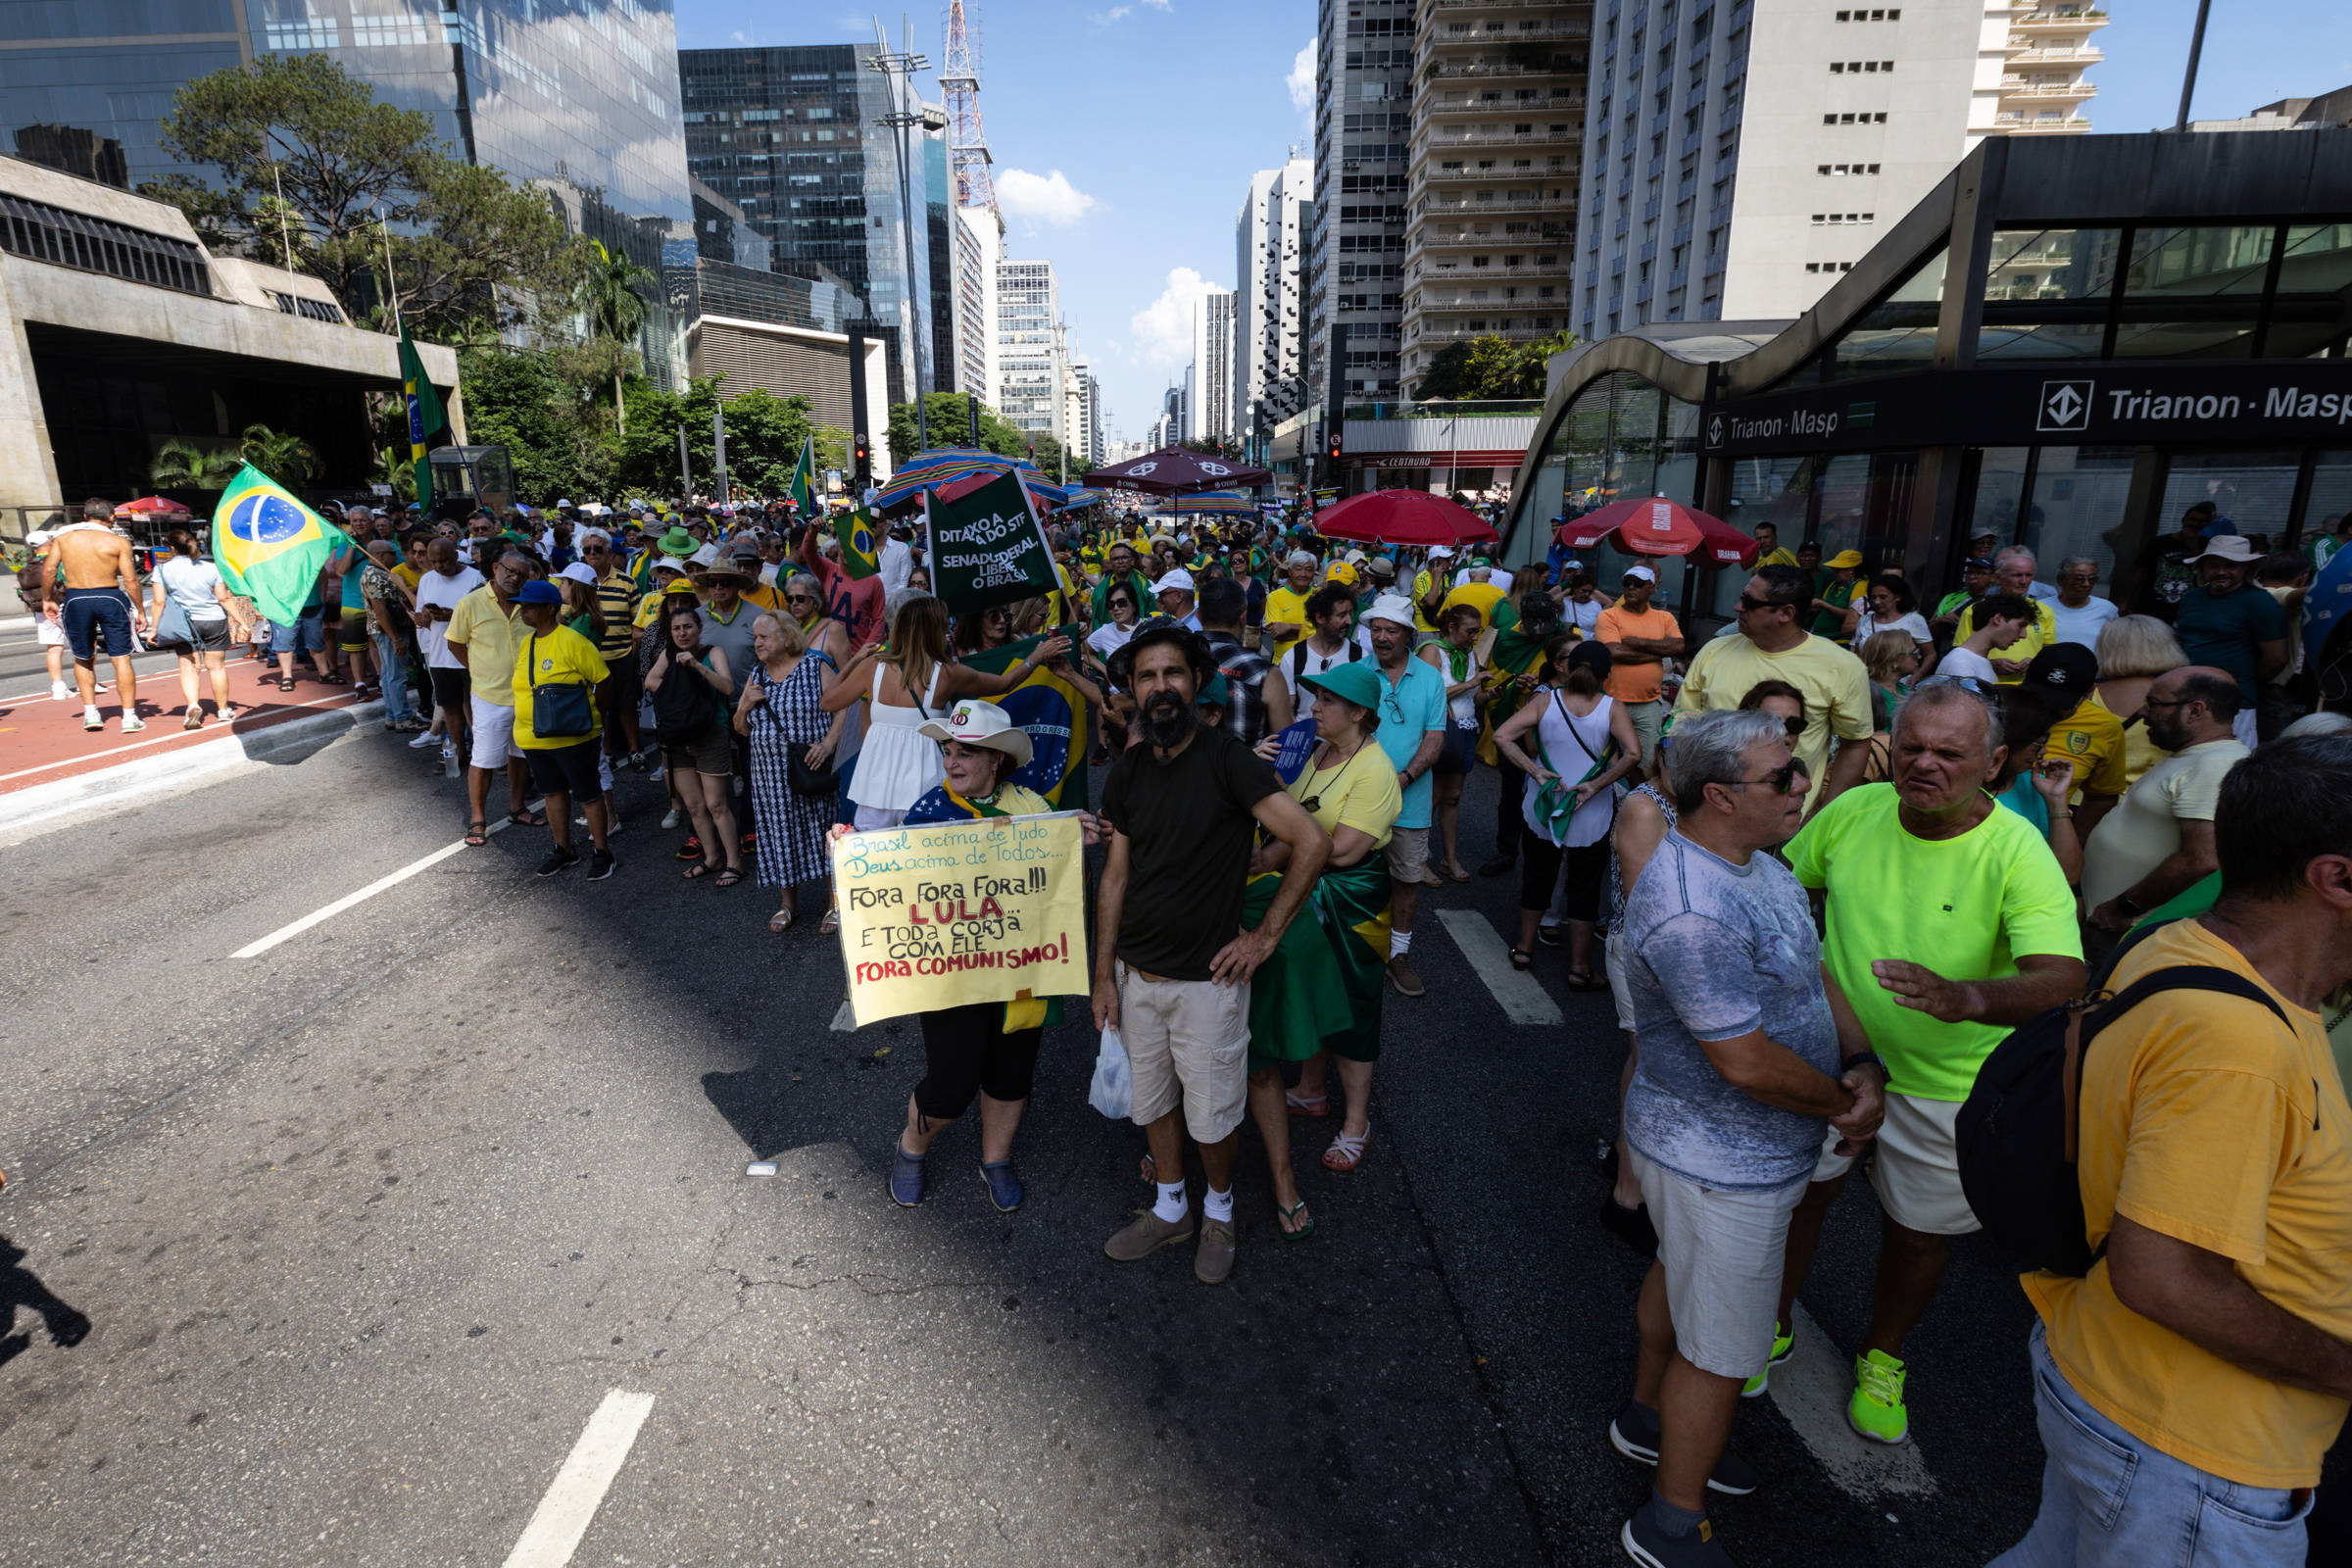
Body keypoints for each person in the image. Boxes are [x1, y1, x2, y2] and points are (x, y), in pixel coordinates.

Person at [1992, 733, 2352, 1568]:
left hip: (2111, 1387)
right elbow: (2163, 1277)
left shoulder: (2179, 945)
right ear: (2334, 878)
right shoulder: (2241, 1047)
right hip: (2190, 1450)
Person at [1769, 682, 2083, 1441]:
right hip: (1832, 1059)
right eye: (1911, 746)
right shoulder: (1854, 811)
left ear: (1996, 761)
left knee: (1916, 1235)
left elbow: (2065, 978)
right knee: (1802, 1198)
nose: (1925, 764)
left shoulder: (2017, 849)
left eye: (1950, 752)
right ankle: (1769, 1321)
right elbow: (1782, 885)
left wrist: (1968, 997)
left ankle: (1884, 1355)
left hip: (1948, 1084)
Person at [1609, 709, 1881, 1568]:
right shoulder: (1693, 909)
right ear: (1721, 797)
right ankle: (1670, 1520)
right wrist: (1842, 1100)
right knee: (1723, 1350)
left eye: (1801, 766)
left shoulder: (1757, 864)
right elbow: (1748, 1064)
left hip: (1711, 1151)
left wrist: (1861, 1053)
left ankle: (1648, 1420)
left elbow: (1812, 966)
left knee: (1675, 1277)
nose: (1807, 784)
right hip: (1722, 1163)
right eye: (1785, 776)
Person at [1095, 622, 1331, 1286]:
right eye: (1146, 677)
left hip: (1208, 984)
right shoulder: (1130, 771)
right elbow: (1115, 878)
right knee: (1156, 1103)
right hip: (1137, 977)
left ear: (1197, 681)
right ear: (1133, 692)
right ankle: (1171, 1208)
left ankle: (1219, 1211)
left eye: (1172, 673)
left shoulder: (1230, 759)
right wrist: (1102, 977)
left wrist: (1264, 938)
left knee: (1214, 1112)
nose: (1160, 687)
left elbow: (1309, 841)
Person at [882, 700, 1092, 1211]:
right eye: (948, 751)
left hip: (1023, 969)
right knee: (951, 1085)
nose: (952, 762)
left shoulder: (1037, 811)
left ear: (997, 759)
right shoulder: (926, 813)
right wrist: (849, 849)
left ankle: (995, 1159)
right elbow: (894, 891)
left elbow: (1064, 895)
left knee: (1010, 1072)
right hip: (953, 974)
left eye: (966, 753)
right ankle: (911, 1149)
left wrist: (1076, 847)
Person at [1240, 659, 1403, 1237]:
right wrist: (1259, 778)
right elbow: (1294, 819)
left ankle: (1355, 1122)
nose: (1314, 708)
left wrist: (1287, 844)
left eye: (1327, 702)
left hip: (1349, 897)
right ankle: (1311, 1092)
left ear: (1358, 713)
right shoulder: (1316, 751)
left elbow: (1342, 850)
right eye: (1315, 699)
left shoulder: (1376, 770)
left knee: (1355, 1003)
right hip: (1302, 881)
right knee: (1313, 991)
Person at [827, 595, 1067, 831]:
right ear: (935, 630)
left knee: (875, 859)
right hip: (924, 778)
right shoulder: (946, 674)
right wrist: (1035, 657)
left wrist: (855, 661)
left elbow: (828, 701)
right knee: (928, 857)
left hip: (876, 783)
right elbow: (1004, 684)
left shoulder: (872, 667)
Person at [1674, 564, 1873, 817]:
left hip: (1787, 824)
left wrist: (1825, 816)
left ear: (1786, 613)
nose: (1738, 607)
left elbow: (1855, 743)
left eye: (1749, 602)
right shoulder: (1713, 651)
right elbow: (1681, 723)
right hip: (1708, 813)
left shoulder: (1843, 667)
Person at [1493, 638, 1640, 978]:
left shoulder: (1546, 701)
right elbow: (1633, 754)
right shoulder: (1612, 707)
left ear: (1570, 668)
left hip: (1543, 803)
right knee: (1585, 884)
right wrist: (1596, 784)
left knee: (1537, 875)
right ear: (1606, 674)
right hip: (1590, 809)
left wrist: (1535, 770)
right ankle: (1579, 965)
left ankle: (1525, 948)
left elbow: (1502, 736)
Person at [2082, 666, 2250, 941]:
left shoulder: (2216, 764)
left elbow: (2202, 860)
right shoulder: (2193, 756)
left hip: (2135, 929)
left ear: (2195, 711)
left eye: (2155, 704)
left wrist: (2125, 907)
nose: (2143, 713)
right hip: (2121, 926)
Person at [735, 611, 844, 932]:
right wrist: (743, 707)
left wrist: (827, 744)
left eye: (764, 637)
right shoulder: (757, 674)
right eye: (755, 638)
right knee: (778, 837)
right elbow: (740, 729)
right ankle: (787, 904)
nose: (757, 643)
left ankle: (834, 903)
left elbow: (843, 707)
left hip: (810, 767)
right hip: (768, 777)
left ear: (786, 637)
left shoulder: (815, 666)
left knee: (821, 831)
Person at [1363, 595, 1448, 1000]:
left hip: (1409, 801)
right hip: (1358, 801)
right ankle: (1358, 949)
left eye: (1390, 630)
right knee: (1355, 875)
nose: (1381, 637)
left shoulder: (1430, 678)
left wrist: (1404, 777)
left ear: (1408, 635)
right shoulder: (1355, 674)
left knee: (1407, 880)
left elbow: (1435, 738)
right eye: (1376, 629)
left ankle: (1398, 955)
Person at [509, 579, 613, 880]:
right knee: (552, 793)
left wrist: (598, 717)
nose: (522, 611)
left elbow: (604, 681)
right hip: (534, 737)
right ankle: (564, 849)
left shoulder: (573, 641)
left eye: (528, 606)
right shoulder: (528, 642)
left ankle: (602, 852)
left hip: (575, 735)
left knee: (588, 794)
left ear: (550, 608)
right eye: (521, 606)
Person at [646, 596, 744, 886]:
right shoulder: (668, 654)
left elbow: (727, 687)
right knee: (694, 805)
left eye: (688, 627)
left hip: (710, 733)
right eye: (677, 628)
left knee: (716, 804)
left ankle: (735, 862)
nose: (682, 633)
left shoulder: (713, 653)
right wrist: (680, 690)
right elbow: (650, 681)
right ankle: (712, 858)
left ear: (699, 628)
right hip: (677, 737)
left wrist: (698, 669)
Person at [447, 550, 540, 848]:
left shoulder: (529, 603)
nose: (515, 578)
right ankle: (477, 819)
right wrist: (479, 670)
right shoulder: (470, 603)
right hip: (490, 696)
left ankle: (517, 808)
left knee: (520, 754)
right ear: (495, 568)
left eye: (522, 575)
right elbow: (455, 643)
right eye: (510, 571)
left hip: (526, 694)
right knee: (484, 760)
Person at [38, 498, 146, 732]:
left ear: (85, 517)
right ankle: (128, 717)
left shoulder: (64, 539)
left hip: (76, 598)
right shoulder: (118, 541)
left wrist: (47, 599)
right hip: (109, 596)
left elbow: (48, 570)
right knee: (121, 658)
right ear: (111, 518)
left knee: (83, 657)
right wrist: (140, 610)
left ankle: (91, 713)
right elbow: (130, 579)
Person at [2170, 534, 2286, 741]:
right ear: (2203, 568)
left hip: (2234, 703)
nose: (2221, 572)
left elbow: (2276, 658)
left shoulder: (2259, 602)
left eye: (2231, 566)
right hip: (2186, 696)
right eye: (2214, 566)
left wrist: (2240, 682)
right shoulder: (2192, 598)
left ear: (2246, 569)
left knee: (2227, 764)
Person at [149, 526, 246, 730]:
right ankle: (223, 710)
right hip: (213, 620)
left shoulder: (162, 570)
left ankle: (193, 706)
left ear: (171, 548)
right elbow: (224, 598)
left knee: (187, 666)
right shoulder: (211, 568)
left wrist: (154, 628)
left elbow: (159, 602)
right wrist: (241, 621)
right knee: (217, 667)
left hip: (184, 624)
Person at [1419, 603, 1487, 882]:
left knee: (1453, 797)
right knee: (1431, 798)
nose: (1475, 637)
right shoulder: (1432, 651)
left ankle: (1449, 858)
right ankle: (1418, 858)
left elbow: (1477, 698)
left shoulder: (1470, 653)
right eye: (1470, 631)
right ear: (1451, 627)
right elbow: (1424, 696)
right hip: (1440, 730)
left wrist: (1491, 694)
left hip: (1465, 729)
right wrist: (1471, 684)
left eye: (1477, 631)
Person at [1597, 564, 1685, 770]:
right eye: (1627, 583)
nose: (1631, 588)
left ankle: (1637, 800)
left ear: (1652, 588)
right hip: (1612, 700)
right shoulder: (1609, 615)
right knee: (1605, 762)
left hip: (1649, 704)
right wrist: (1658, 653)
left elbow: (1679, 646)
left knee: (1647, 764)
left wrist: (1638, 642)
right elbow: (1615, 653)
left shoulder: (1665, 617)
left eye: (1638, 583)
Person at [415, 537, 484, 768]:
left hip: (471, 655)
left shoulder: (475, 578)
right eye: (433, 562)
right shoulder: (427, 580)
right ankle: (458, 756)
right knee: (451, 710)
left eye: (443, 561)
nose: (438, 567)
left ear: (455, 555)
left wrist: (453, 616)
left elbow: (485, 617)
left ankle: (484, 756)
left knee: (477, 710)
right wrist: (425, 616)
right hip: (440, 656)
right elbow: (419, 618)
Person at [1199, 575, 1291, 747]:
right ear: (1243, 618)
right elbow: (1285, 747)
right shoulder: (1265, 673)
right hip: (1247, 770)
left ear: (1198, 616)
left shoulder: (1175, 660)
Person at [581, 531, 646, 767]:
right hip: (590, 660)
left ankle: (634, 750)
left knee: (628, 706)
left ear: (609, 552)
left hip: (622, 656)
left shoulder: (626, 582)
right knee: (600, 709)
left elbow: (636, 621)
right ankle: (606, 752)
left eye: (597, 549)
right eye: (587, 549)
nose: (591, 554)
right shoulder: (579, 584)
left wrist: (634, 652)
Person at [1935, 590, 2036, 687]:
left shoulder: (1976, 661)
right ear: (1998, 619)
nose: (2024, 635)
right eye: (2021, 625)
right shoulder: (1960, 664)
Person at [2045, 556, 2118, 650]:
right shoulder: (2042, 607)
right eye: (2079, 579)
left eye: (2092, 579)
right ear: (2061, 580)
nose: (2086, 584)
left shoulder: (2106, 608)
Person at [1261, 549, 1321, 656]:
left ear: (1314, 573)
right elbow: (1277, 634)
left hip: (1315, 660)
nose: (1303, 574)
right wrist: (1313, 632)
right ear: (1289, 571)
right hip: (1283, 661)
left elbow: (1327, 630)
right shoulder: (1275, 596)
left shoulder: (1320, 596)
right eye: (1298, 569)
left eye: (1308, 569)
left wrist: (1289, 627)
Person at [1930, 555, 1995, 643]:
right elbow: (1928, 634)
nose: (1972, 576)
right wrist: (1940, 622)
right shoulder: (1951, 598)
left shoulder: (1996, 600)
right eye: (1969, 572)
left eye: (1979, 573)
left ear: (1993, 577)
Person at [1808, 548, 1865, 638]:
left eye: (1837, 570)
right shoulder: (1833, 585)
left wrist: (1823, 604)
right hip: (1819, 636)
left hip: (1838, 641)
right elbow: (1821, 609)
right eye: (1833, 569)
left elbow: (1851, 616)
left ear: (1851, 570)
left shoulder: (1860, 585)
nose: (1833, 572)